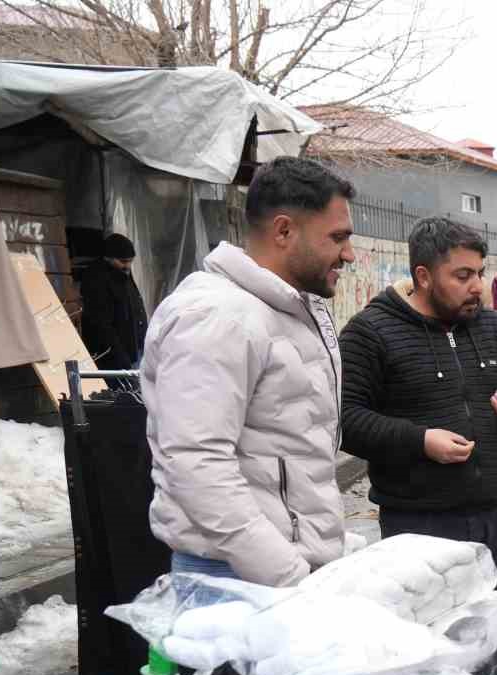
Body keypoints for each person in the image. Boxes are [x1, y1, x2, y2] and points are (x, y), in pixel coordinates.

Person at [142, 157, 355, 585]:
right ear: (283, 231)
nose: (348, 254)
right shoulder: (218, 316)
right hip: (238, 581)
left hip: (279, 572)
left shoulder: (290, 308)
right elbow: (196, 462)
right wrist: (287, 574)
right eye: (337, 238)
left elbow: (291, 446)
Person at [339, 218, 497, 592]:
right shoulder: (370, 333)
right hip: (416, 526)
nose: (477, 287)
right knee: (431, 641)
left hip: (493, 516)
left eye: (480, 273)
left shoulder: (492, 327)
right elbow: (346, 421)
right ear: (424, 276)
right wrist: (420, 441)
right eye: (462, 276)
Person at [76, 232, 149, 373]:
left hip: (134, 350)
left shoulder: (122, 273)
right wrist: (122, 359)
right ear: (108, 258)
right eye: (123, 261)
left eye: (130, 261)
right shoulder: (97, 279)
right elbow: (102, 325)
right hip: (116, 358)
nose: (127, 266)